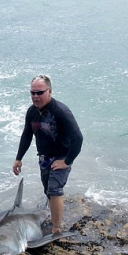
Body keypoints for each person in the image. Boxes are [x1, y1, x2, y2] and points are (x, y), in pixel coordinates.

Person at [13, 74, 83, 234]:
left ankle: (57, 228)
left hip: (61, 157)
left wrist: (67, 160)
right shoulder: (32, 112)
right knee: (48, 191)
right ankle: (53, 218)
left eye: (40, 92)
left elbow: (78, 138)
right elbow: (26, 135)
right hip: (44, 158)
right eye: (33, 93)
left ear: (50, 91)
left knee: (54, 189)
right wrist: (18, 158)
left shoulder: (61, 112)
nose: (36, 96)